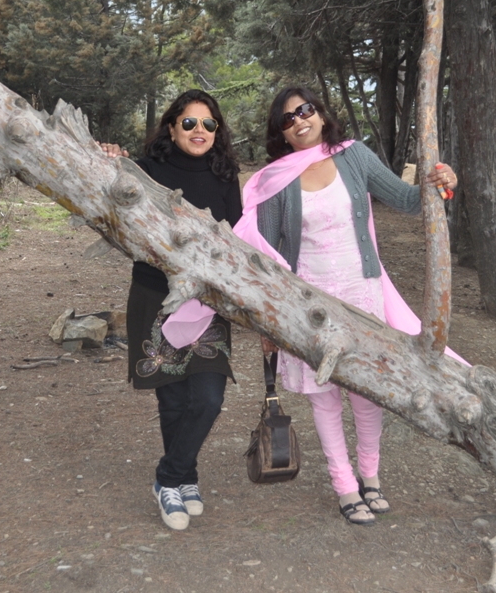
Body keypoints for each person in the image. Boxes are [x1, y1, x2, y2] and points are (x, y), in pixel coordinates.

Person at [251, 86, 458, 526]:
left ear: (322, 114)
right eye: (287, 119)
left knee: (368, 393)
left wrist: (439, 180)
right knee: (324, 398)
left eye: (305, 110)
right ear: (281, 134)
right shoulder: (277, 179)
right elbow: (266, 252)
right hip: (309, 304)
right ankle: (344, 485)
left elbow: (404, 199)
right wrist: (268, 320)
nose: (299, 121)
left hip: (363, 295)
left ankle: (371, 476)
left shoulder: (354, 156)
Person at [100, 90, 242, 531]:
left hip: (206, 301)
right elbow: (109, 200)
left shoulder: (225, 174)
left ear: (217, 131)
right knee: (174, 397)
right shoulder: (146, 171)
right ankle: (186, 479)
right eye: (189, 123)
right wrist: (105, 157)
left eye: (208, 124)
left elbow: (236, 235)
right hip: (155, 296)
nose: (200, 131)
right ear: (171, 127)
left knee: (209, 398)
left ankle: (169, 476)